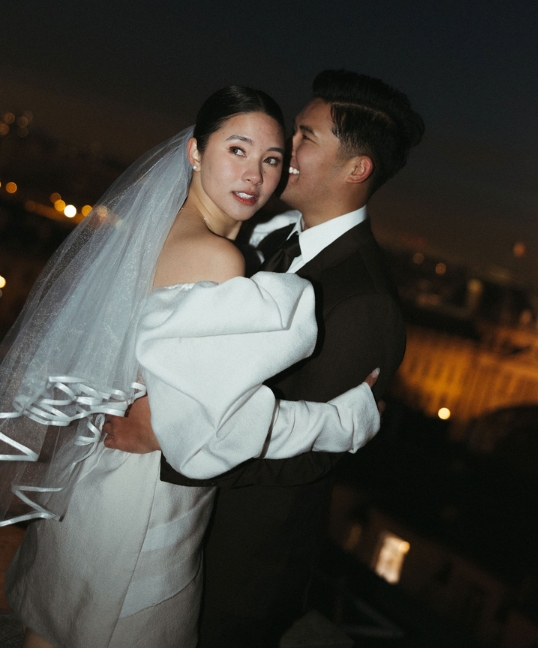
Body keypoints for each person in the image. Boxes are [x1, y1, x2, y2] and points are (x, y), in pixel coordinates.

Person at [2, 86, 382, 648]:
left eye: (271, 160)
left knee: (56, 629)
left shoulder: (158, 232)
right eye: (237, 150)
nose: (254, 174)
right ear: (195, 152)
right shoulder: (219, 259)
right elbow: (221, 428)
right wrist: (346, 419)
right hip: (147, 500)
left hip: (97, 477)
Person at [108, 69, 424, 647]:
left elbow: (308, 458)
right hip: (192, 524)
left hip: (243, 561)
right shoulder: (278, 239)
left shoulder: (364, 301)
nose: (286, 149)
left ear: (357, 168)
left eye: (305, 137)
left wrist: (170, 434)